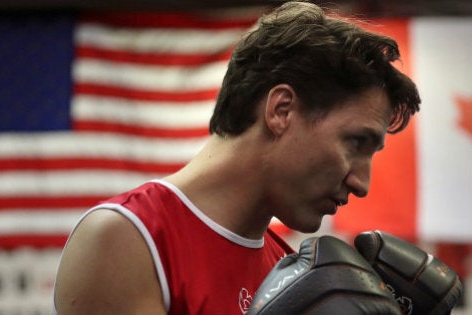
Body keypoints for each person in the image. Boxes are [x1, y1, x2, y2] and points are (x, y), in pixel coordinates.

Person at [53, 1, 420, 314]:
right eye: (356, 142)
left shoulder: (290, 273)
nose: (362, 184)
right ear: (282, 110)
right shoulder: (128, 239)